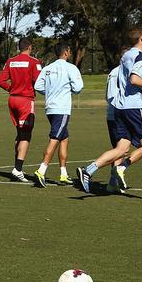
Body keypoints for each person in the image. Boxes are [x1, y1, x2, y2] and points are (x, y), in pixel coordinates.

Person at [76, 28, 142, 201]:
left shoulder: (125, 56)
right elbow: (133, 80)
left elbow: (128, 80)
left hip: (119, 108)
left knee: (122, 148)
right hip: (134, 107)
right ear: (141, 38)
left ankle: (88, 170)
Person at [31, 42, 83, 188]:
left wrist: (50, 92)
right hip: (62, 109)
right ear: (66, 52)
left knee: (64, 138)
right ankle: (41, 170)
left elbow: (38, 86)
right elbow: (78, 87)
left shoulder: (47, 68)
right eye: (70, 50)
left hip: (50, 108)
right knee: (54, 138)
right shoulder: (71, 68)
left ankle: (63, 174)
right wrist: (68, 89)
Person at [0, 38, 42, 182]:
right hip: (25, 101)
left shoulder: (11, 61)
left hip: (12, 100)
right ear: (29, 47)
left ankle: (17, 166)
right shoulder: (35, 62)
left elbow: (0, 81)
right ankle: (18, 168)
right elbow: (39, 81)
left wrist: (12, 88)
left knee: (20, 133)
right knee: (26, 135)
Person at [104, 64, 142, 194]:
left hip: (115, 114)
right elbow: (114, 95)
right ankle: (92, 170)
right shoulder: (122, 72)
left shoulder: (116, 71)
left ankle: (112, 183)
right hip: (122, 113)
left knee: (119, 150)